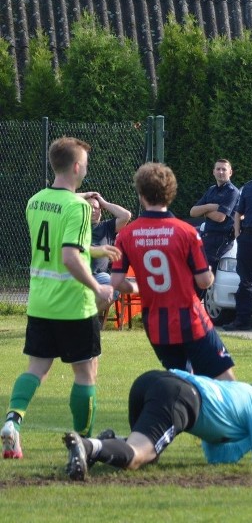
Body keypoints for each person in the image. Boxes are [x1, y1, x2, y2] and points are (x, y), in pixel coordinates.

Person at [2, 137, 115, 460]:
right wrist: (98, 287)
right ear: (77, 167)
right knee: (85, 373)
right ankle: (83, 443)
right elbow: (68, 256)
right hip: (73, 305)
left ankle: (13, 422)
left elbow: (56, 244)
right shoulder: (79, 208)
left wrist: (93, 249)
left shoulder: (35, 201)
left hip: (40, 303)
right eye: (85, 164)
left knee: (36, 368)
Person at [111, 163, 236, 381]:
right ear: (171, 193)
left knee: (181, 383)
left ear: (141, 195)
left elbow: (117, 282)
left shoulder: (126, 234)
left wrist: (140, 286)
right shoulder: (185, 232)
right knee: (225, 380)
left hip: (157, 324)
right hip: (190, 319)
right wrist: (209, 273)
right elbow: (204, 281)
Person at [62, 369, 252, 480]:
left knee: (150, 457)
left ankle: (106, 444)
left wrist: (249, 438)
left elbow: (218, 458)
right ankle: (89, 447)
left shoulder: (236, 397)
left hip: (152, 381)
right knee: (137, 454)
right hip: (179, 396)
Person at [224, 151, 252, 331]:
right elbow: (238, 213)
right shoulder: (247, 188)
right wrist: (239, 235)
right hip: (248, 237)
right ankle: (242, 321)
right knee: (245, 281)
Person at [189, 159, 240, 299]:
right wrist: (211, 207)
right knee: (193, 272)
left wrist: (204, 210)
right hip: (207, 236)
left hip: (221, 240)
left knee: (202, 277)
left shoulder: (232, 192)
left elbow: (220, 218)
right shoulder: (211, 190)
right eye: (218, 169)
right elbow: (193, 212)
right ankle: (190, 310)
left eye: (224, 169)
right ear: (213, 172)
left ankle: (192, 310)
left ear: (230, 172)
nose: (221, 172)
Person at [81, 191, 132, 289]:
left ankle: (95, 305)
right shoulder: (76, 226)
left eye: (96, 208)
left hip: (99, 276)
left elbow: (126, 216)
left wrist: (104, 203)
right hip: (78, 274)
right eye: (89, 207)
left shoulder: (107, 227)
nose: (93, 210)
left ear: (100, 211)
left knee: (115, 287)